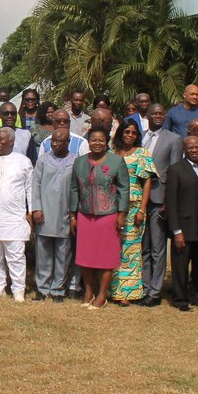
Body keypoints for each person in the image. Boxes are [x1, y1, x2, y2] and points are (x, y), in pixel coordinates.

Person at [69, 128, 129, 309]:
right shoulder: (79, 162)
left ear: (106, 142)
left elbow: (124, 188)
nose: (97, 143)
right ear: (88, 141)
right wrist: (72, 215)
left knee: (105, 257)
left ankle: (102, 295)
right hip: (85, 215)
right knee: (85, 257)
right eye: (93, 140)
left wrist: (122, 214)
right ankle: (88, 292)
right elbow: (74, 189)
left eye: (101, 140)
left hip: (108, 216)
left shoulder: (117, 161)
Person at [0, 128, 34, 302]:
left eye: (1, 139)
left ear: (11, 142)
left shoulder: (23, 161)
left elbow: (30, 189)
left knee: (16, 256)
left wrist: (31, 211)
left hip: (14, 217)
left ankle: (18, 290)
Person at [107, 118, 156, 306]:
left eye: (134, 133)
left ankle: (128, 293)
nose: (130, 135)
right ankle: (112, 289)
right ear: (121, 133)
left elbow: (147, 182)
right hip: (112, 206)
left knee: (131, 249)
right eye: (127, 132)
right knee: (113, 247)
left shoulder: (142, 153)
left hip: (134, 207)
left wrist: (142, 209)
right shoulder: (111, 153)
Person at [140, 103, 182, 307]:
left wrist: (168, 201)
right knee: (144, 247)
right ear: (147, 116)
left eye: (161, 113)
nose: (158, 116)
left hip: (159, 199)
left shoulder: (173, 139)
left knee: (157, 247)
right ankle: (144, 286)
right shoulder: (139, 137)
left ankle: (155, 292)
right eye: (154, 113)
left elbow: (174, 172)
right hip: (139, 200)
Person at [30, 129, 76, 303]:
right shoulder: (43, 159)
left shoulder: (75, 161)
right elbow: (35, 184)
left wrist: (73, 214)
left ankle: (58, 289)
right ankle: (42, 288)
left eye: (60, 141)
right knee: (43, 253)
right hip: (45, 212)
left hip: (65, 213)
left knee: (63, 253)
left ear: (68, 142)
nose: (55, 144)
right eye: (53, 141)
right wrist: (36, 208)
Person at [166, 136, 198, 311]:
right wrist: (176, 231)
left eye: (197, 147)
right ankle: (180, 299)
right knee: (180, 267)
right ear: (184, 150)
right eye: (190, 147)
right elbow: (171, 202)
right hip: (183, 227)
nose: (194, 150)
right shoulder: (176, 169)